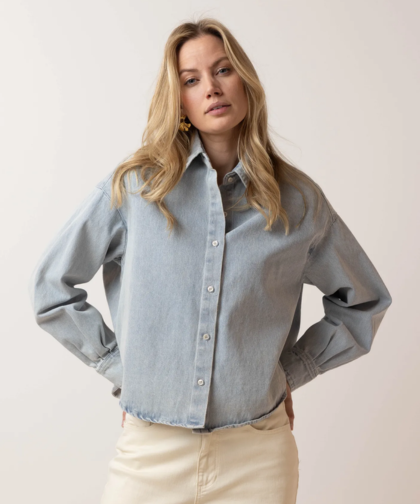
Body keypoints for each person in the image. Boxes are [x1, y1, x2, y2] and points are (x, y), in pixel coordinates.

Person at [28, 17, 392, 504]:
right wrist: (122, 369)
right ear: (178, 100)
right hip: (151, 451)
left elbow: (363, 301)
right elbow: (52, 288)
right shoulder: (137, 189)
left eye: (223, 70)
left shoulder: (299, 202)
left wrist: (291, 372)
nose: (212, 88)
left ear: (245, 80)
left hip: (258, 453)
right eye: (191, 79)